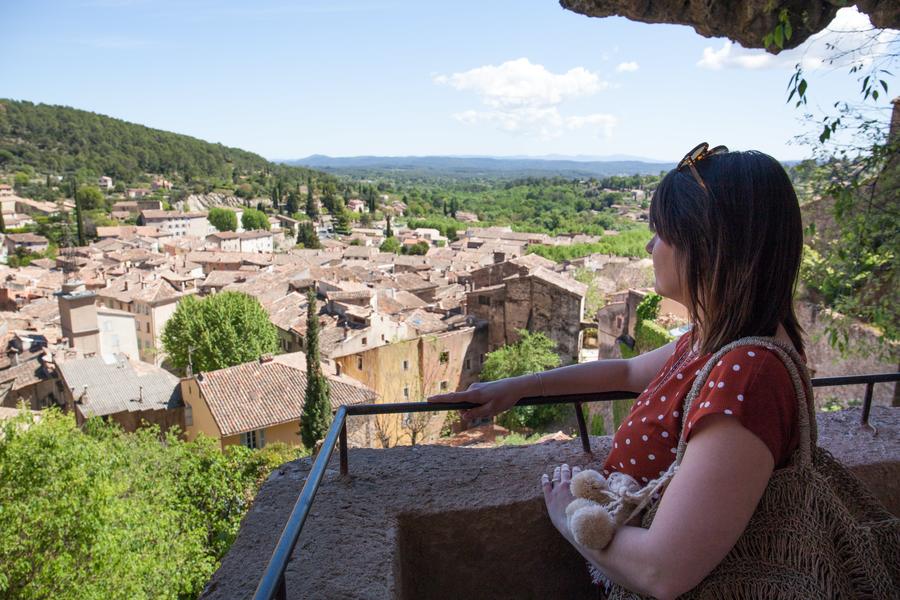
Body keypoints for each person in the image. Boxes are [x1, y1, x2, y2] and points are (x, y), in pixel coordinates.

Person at [428, 144, 806, 599]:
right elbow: (627, 372)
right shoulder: (715, 342)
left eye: (661, 233)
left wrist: (568, 512)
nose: (650, 246)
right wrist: (519, 387)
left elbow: (661, 572)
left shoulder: (749, 372)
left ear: (709, 246)